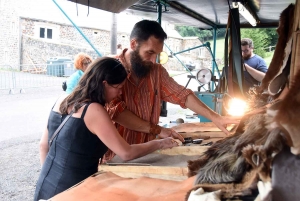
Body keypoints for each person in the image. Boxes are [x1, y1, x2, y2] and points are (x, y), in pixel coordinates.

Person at [34, 57, 178, 201]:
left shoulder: (62, 100)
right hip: (74, 190)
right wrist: (160, 143)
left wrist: (50, 179)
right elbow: (126, 153)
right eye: (119, 88)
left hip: (46, 187)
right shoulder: (93, 111)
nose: (120, 93)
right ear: (104, 84)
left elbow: (43, 146)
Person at [105, 20, 239, 159]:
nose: (153, 60)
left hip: (147, 153)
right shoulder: (109, 68)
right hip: (117, 156)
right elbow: (117, 112)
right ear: (133, 44)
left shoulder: (156, 71)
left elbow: (182, 95)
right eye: (149, 52)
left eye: (157, 54)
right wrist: (158, 130)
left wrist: (215, 117)